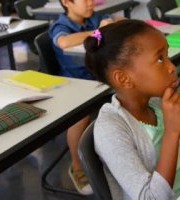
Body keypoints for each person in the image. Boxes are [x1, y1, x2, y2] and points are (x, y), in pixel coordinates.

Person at [84, 19, 180, 199]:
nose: (172, 67)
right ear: (123, 79)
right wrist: (172, 131)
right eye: (160, 59)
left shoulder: (156, 104)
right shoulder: (110, 128)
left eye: (167, 55)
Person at [48, 0, 123, 195]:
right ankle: (77, 166)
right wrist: (98, 32)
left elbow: (113, 22)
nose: (91, 3)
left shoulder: (93, 18)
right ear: (66, 2)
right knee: (79, 117)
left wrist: (113, 23)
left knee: (128, 95)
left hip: (96, 79)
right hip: (72, 84)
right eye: (85, 0)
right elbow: (63, 41)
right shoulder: (61, 25)